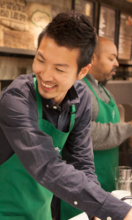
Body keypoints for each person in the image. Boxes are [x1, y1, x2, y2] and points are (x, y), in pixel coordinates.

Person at [0, 11, 132, 220]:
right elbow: (45, 164)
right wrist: (115, 209)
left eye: (59, 69)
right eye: (40, 60)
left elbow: (82, 163)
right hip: (0, 214)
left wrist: (96, 211)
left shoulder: (81, 97)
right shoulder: (16, 98)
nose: (46, 75)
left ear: (82, 72)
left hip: (41, 215)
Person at [59, 37, 132, 219]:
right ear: (92, 58)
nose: (116, 63)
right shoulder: (80, 89)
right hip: (82, 194)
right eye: (111, 57)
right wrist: (129, 128)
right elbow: (87, 134)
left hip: (105, 185)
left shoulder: (104, 91)